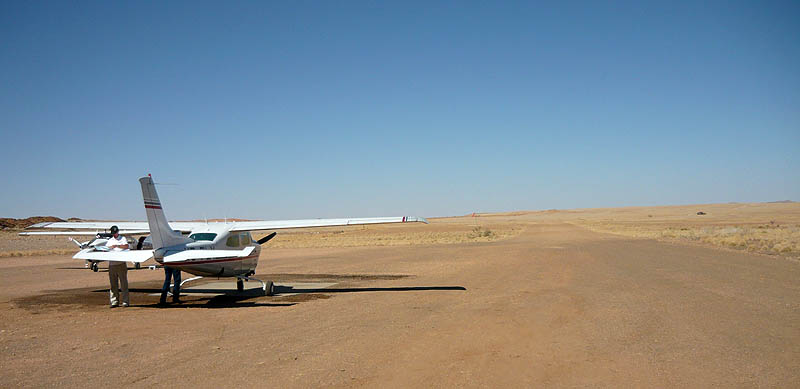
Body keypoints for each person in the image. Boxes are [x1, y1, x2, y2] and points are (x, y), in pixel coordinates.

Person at [106, 225, 130, 308]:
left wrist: (117, 246)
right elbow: (106, 249)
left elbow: (126, 246)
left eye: (115, 233)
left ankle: (125, 301)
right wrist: (110, 247)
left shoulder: (122, 239)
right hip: (112, 265)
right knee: (113, 284)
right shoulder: (110, 240)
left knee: (123, 284)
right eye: (113, 233)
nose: (114, 234)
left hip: (121, 264)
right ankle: (114, 301)